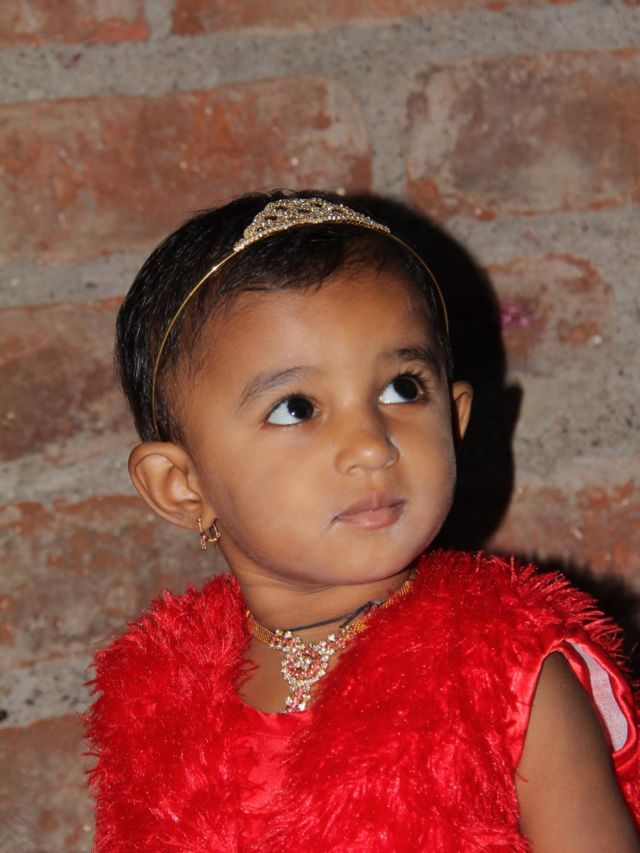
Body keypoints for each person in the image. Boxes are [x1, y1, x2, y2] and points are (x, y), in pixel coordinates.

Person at [85, 190, 640, 851]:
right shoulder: (156, 705)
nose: (372, 445)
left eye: (402, 388)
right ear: (182, 486)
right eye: (296, 408)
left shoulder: (506, 678)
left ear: (455, 419)